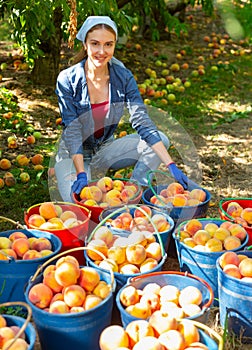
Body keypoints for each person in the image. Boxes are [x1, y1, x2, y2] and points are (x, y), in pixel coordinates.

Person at [54, 15, 188, 203]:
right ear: (85, 44)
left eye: (108, 44)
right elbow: (72, 129)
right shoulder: (67, 79)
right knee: (80, 203)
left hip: (106, 148)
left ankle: (135, 191)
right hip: (74, 153)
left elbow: (141, 121)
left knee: (161, 140)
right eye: (95, 44)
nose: (102, 51)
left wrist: (171, 164)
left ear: (115, 45)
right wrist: (81, 174)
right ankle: (85, 177)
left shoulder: (122, 76)